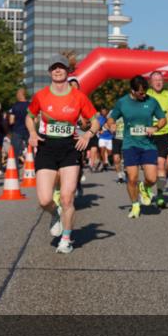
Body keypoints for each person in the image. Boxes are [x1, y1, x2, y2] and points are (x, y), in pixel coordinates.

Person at [27, 56, 100, 255]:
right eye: (54, 68)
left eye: (61, 68)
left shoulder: (78, 97)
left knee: (67, 198)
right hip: (47, 147)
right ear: (50, 72)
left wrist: (88, 134)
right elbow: (29, 116)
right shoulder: (41, 95)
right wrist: (32, 133)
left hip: (70, 148)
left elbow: (95, 120)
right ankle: (55, 213)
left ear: (68, 71)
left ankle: (66, 239)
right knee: (44, 200)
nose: (58, 71)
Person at [107, 75, 167, 218]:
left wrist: (156, 127)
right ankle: (135, 205)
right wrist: (111, 124)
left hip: (148, 144)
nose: (143, 94)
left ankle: (144, 187)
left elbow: (163, 119)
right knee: (132, 178)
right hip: (130, 144)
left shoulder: (152, 102)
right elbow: (112, 117)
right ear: (132, 91)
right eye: (140, 92)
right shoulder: (122, 102)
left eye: (145, 91)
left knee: (152, 178)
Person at [146, 71, 168, 207]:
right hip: (150, 134)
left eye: (160, 80)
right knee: (154, 167)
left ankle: (159, 193)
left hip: (165, 133)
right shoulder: (146, 95)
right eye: (155, 80)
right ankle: (153, 190)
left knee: (167, 165)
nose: (158, 82)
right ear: (150, 82)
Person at [8, 87, 30, 162]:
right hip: (28, 131)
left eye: (17, 94)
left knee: (15, 153)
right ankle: (32, 169)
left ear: (21, 94)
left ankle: (15, 171)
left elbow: (11, 121)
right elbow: (35, 120)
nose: (16, 95)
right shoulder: (30, 105)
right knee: (31, 151)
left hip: (17, 131)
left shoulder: (14, 106)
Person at [97, 107, 114, 173]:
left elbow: (113, 126)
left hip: (109, 138)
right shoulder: (99, 119)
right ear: (101, 112)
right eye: (102, 111)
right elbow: (96, 126)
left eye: (105, 111)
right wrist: (99, 130)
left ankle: (106, 161)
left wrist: (111, 129)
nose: (104, 112)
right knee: (102, 151)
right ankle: (104, 163)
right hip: (102, 138)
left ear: (107, 112)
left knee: (110, 153)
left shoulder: (110, 119)